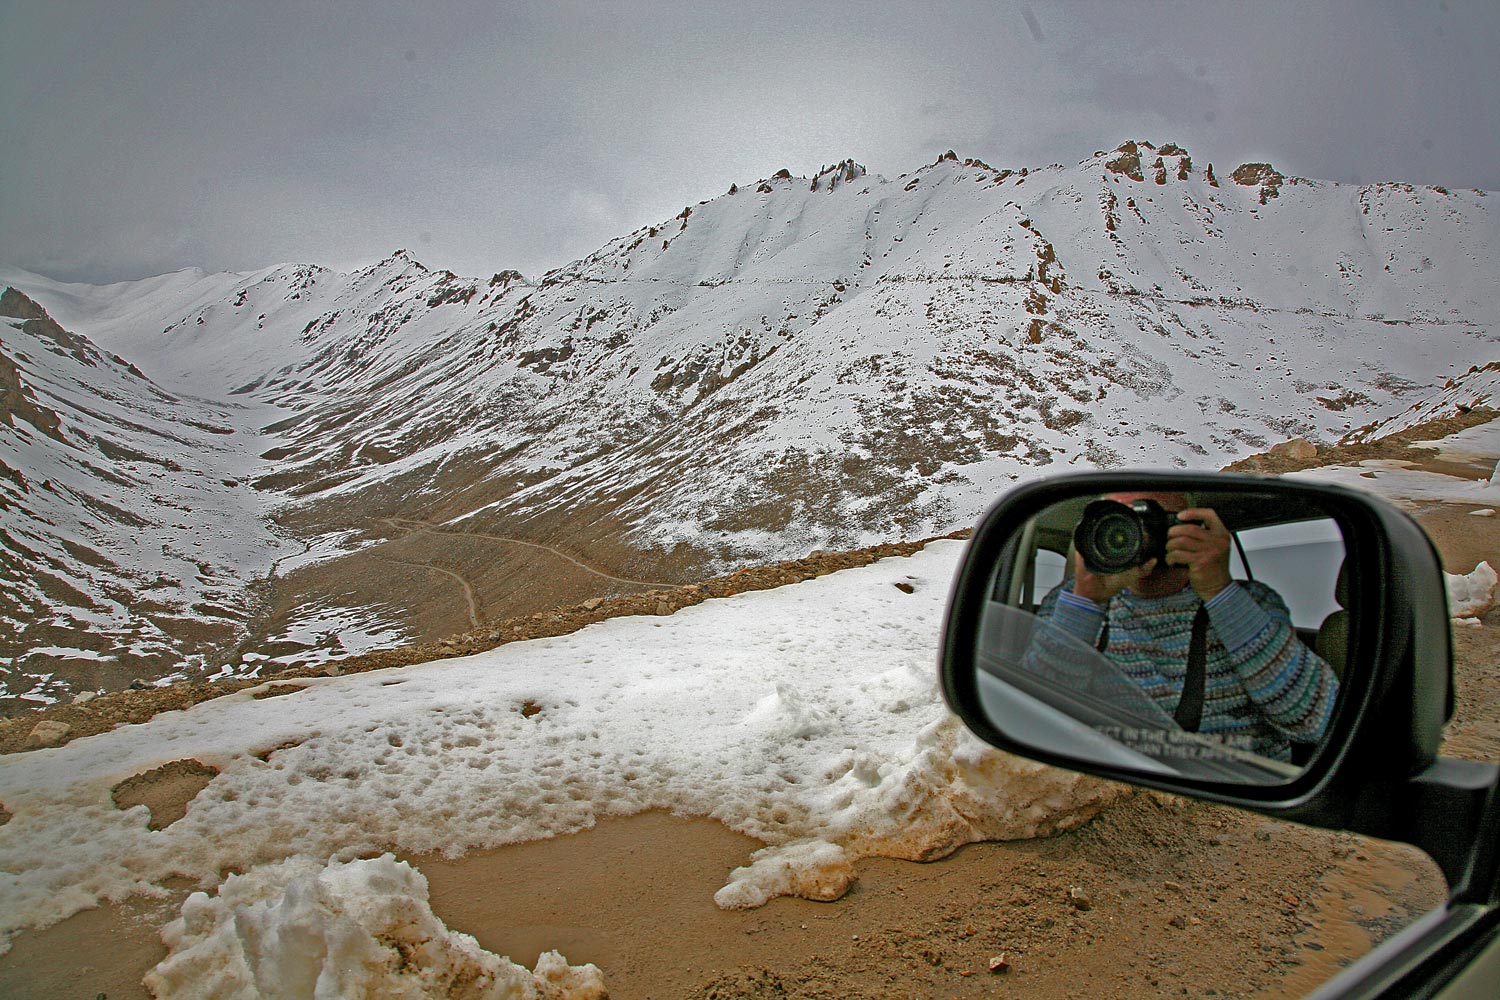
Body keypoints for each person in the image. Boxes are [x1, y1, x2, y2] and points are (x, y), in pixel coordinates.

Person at [1029, 491, 1339, 763]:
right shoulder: (1069, 603)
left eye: (1152, 518)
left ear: (1192, 527)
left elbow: (1317, 720)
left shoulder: (1253, 602)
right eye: (1117, 521)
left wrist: (1220, 592)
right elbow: (1035, 718)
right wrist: (1086, 602)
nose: (1132, 534)